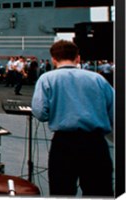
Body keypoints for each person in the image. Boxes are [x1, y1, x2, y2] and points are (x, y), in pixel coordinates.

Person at [31, 40, 114, 197]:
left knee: (62, 191)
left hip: (64, 144)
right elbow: (115, 112)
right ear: (78, 58)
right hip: (95, 144)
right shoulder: (98, 79)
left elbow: (40, 113)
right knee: (99, 192)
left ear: (53, 59)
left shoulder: (46, 79)